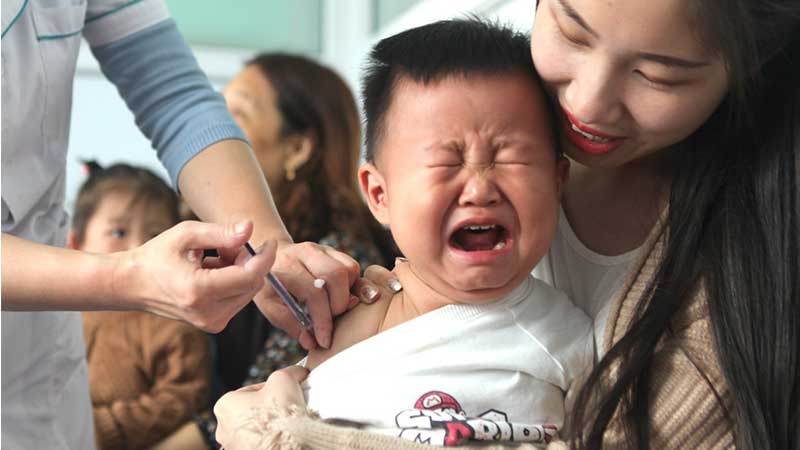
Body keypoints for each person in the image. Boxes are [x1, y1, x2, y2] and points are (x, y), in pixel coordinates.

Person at [215, 1, 800, 450]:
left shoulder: (580, 331)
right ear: (379, 192)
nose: (589, 105)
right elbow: (275, 397)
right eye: (573, 32)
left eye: (659, 73)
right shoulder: (359, 298)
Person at [0, 1, 373, 448]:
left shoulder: (333, 267)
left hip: (37, 368)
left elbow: (174, 96)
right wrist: (126, 275)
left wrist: (270, 245)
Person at [216, 18, 594, 448]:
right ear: (380, 195)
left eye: (512, 159)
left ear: (558, 180)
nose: (480, 188)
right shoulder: (348, 312)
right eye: (445, 164)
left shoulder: (566, 338)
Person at [153, 53, 399, 450]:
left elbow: (263, 403)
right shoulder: (217, 247)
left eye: (236, 114)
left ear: (298, 148)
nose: (214, 133)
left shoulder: (336, 264)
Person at [67, 162, 212, 450]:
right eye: (118, 233)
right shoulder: (57, 314)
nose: (139, 249)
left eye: (154, 236)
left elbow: (184, 398)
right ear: (75, 244)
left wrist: (104, 428)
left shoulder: (173, 320)